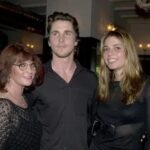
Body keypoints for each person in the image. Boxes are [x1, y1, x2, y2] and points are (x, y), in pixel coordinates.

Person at [26, 11, 97, 150]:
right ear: (49, 41)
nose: (61, 39)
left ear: (76, 40)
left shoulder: (91, 80)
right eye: (55, 33)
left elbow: (95, 122)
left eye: (67, 33)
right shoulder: (35, 78)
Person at [90, 29, 150, 150]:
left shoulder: (145, 85)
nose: (109, 53)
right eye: (106, 49)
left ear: (128, 52)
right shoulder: (102, 85)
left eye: (117, 48)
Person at [0, 43, 42, 150]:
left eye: (32, 65)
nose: (30, 71)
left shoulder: (27, 99)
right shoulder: (3, 107)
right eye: (22, 65)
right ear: (8, 68)